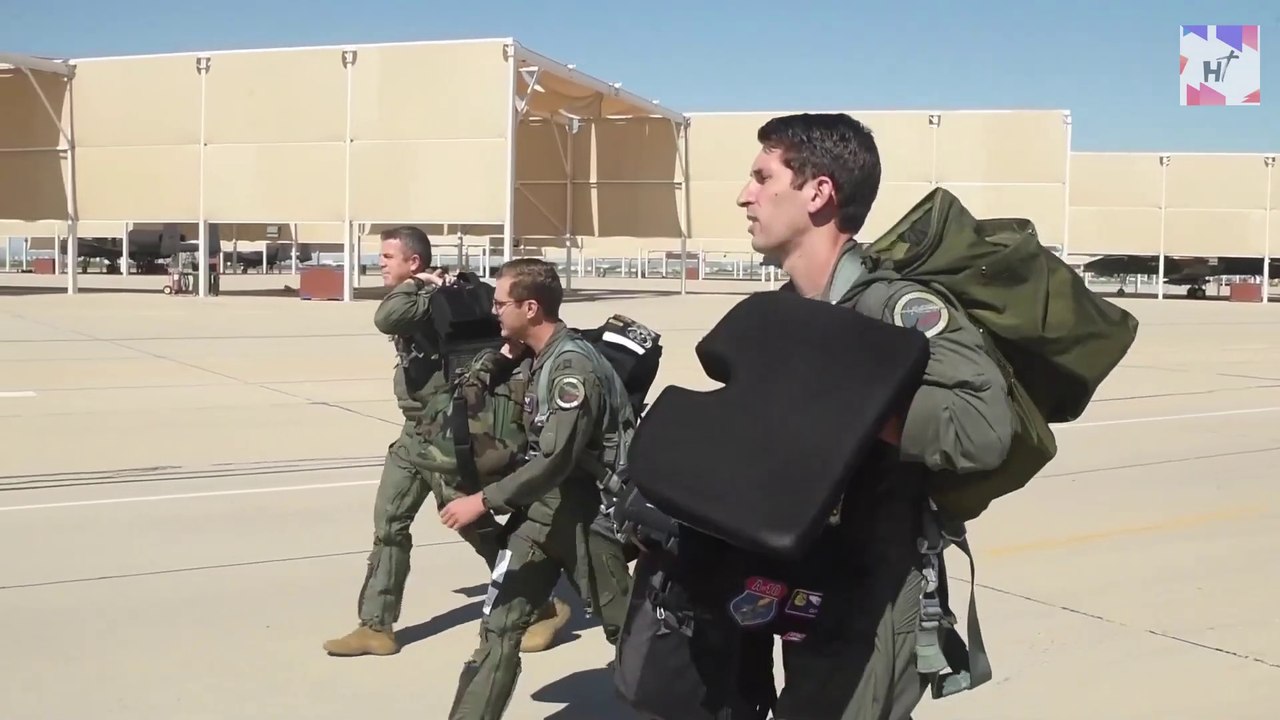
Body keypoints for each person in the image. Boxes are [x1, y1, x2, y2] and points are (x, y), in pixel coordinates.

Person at [721, 113, 1018, 717]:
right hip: (802, 579)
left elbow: (985, 430)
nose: (744, 195)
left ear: (818, 192)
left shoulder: (896, 309)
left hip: (872, 597)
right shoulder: (782, 315)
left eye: (762, 177)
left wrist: (851, 404)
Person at [321, 227, 566, 657]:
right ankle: (376, 625)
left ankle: (541, 605)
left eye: (388, 257)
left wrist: (421, 283)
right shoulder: (421, 297)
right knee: (389, 524)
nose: (380, 263)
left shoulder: (422, 299)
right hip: (413, 435)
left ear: (413, 263)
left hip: (445, 437)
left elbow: (385, 319)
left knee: (477, 528)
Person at [439, 258, 635, 719]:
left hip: (587, 517)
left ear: (531, 307)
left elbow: (556, 460)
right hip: (541, 514)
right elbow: (470, 397)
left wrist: (481, 502)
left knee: (627, 634)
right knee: (499, 627)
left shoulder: (572, 368)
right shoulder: (535, 357)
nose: (494, 312)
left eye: (500, 303)